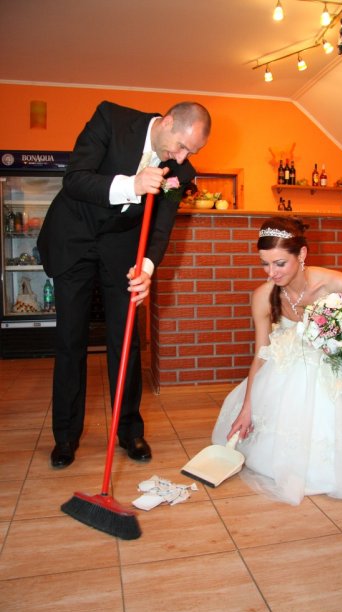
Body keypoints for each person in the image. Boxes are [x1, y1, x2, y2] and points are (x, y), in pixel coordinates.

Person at [38, 100, 211, 468]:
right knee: (71, 337)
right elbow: (75, 178)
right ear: (167, 122)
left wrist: (146, 267)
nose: (182, 157)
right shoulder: (110, 120)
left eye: (191, 152)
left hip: (122, 249)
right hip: (75, 235)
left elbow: (162, 225)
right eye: (181, 146)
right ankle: (66, 436)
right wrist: (133, 185)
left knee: (127, 337)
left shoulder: (179, 171)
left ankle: (130, 430)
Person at [212, 217, 342, 505]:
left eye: (279, 263)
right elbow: (261, 354)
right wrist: (247, 408)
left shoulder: (335, 283)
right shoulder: (262, 296)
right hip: (290, 363)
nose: (271, 273)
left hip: (336, 356)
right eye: (265, 263)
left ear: (301, 254)